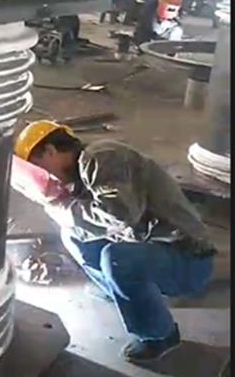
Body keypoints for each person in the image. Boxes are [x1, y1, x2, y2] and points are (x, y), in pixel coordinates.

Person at [12, 121, 215, 363]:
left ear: (50, 151)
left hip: (189, 259)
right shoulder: (78, 174)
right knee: (73, 235)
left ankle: (159, 335)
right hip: (156, 248)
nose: (43, 176)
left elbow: (119, 216)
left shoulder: (102, 157)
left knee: (117, 259)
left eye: (38, 166)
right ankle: (125, 293)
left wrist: (63, 208)